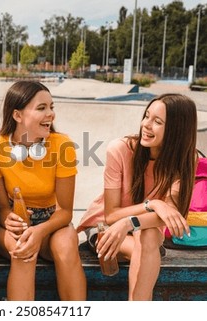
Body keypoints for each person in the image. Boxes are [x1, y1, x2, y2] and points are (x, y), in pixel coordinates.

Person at [77, 93, 197, 300]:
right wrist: (155, 204)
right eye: (147, 116)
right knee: (147, 244)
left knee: (148, 236)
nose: (146, 125)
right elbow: (111, 214)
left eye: (157, 122)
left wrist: (129, 223)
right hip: (103, 227)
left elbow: (170, 216)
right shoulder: (120, 150)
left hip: (143, 232)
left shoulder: (185, 160)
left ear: (176, 130)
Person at [0, 80, 86, 301]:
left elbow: (65, 212)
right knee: (23, 249)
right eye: (42, 108)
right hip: (11, 227)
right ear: (17, 115)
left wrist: (39, 231)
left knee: (67, 243)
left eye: (51, 107)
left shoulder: (62, 145)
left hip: (51, 222)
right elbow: (2, 209)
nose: (51, 114)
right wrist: (10, 220)